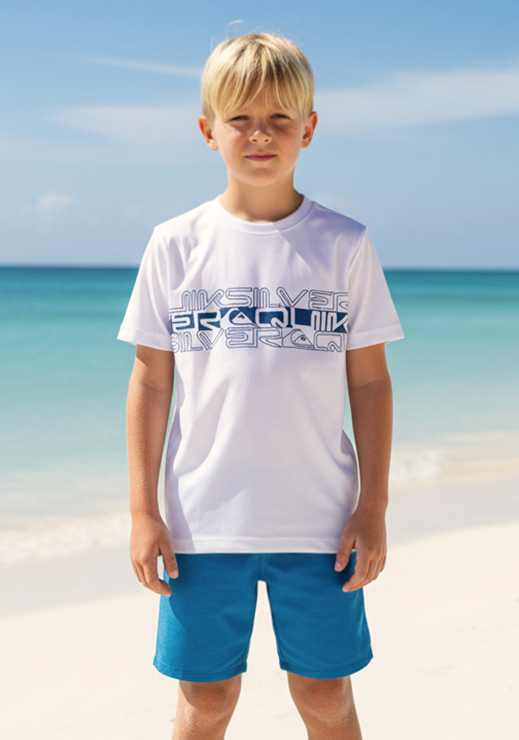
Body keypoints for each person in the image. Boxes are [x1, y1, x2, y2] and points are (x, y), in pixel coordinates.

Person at [118, 31, 403, 740]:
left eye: (279, 118)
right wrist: (143, 511)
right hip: (200, 521)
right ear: (207, 130)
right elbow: (151, 382)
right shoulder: (175, 244)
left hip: (321, 520)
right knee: (207, 700)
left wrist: (373, 505)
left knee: (326, 695)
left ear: (309, 128)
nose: (260, 134)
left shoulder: (344, 244)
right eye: (240, 118)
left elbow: (370, 382)